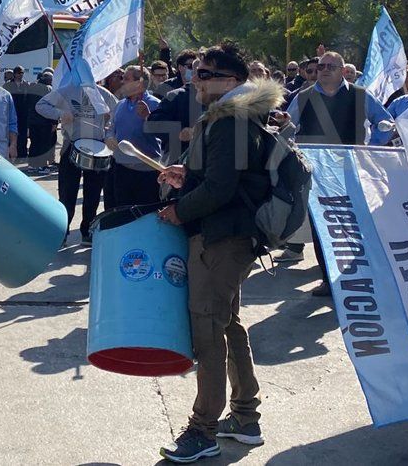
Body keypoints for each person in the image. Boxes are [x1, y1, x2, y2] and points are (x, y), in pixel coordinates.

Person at [155, 40, 283, 463]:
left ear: (232, 81)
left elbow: (222, 188)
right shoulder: (234, 116)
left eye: (205, 74)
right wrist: (186, 173)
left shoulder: (231, 119)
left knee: (208, 332)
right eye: (196, 72)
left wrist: (179, 210)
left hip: (222, 237)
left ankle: (203, 430)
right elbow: (222, 176)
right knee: (228, 324)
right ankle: (245, 419)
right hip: (230, 236)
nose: (195, 78)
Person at [274, 51, 393, 296]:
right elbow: (289, 128)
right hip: (317, 174)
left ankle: (358, 275)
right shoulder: (304, 96)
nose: (324, 69)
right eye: (321, 65)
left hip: (352, 172)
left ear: (343, 70)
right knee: (322, 227)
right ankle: (329, 279)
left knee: (355, 224)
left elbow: (385, 123)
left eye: (331, 66)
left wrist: (369, 152)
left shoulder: (361, 95)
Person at [36, 81, 117, 245]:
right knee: (67, 193)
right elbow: (40, 105)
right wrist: (60, 113)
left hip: (97, 149)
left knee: (93, 193)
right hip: (71, 145)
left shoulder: (104, 94)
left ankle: (88, 230)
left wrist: (108, 127)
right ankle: (62, 232)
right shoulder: (66, 90)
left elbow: (117, 114)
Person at [107, 65, 163, 209]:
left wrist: (148, 117)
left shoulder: (155, 104)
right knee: (122, 211)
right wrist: (109, 137)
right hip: (121, 168)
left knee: (146, 211)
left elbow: (165, 132)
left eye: (126, 79)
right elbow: (111, 127)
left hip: (146, 169)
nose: (122, 82)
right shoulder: (119, 105)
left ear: (139, 82)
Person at [27, 69, 58, 172]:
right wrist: (54, 122)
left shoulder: (32, 87)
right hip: (45, 122)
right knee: (44, 144)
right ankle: (42, 166)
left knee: (34, 143)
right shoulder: (49, 89)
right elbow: (53, 106)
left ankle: (32, 165)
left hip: (33, 122)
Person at [5, 66, 33, 160]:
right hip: (12, 113)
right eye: (18, 73)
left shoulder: (27, 85)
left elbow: (30, 100)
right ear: (15, 74)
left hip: (23, 114)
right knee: (12, 133)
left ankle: (22, 153)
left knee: (23, 134)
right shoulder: (8, 85)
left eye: (22, 73)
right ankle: (11, 152)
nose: (20, 75)